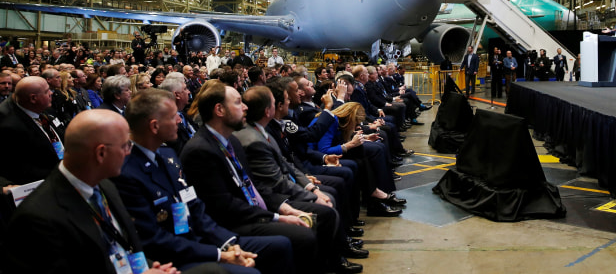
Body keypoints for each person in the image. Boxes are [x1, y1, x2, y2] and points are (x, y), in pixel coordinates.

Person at [180, 80, 363, 274]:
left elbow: (254, 185)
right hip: (235, 222)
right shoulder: (200, 150)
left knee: (316, 215)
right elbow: (224, 206)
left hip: (255, 207)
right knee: (303, 233)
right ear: (219, 110)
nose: (244, 107)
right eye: (237, 102)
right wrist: (277, 216)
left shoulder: (231, 139)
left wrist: (284, 209)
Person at [2, 109, 216, 274]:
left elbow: (123, 246)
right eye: (125, 146)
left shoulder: (105, 185)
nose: (129, 152)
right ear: (101, 153)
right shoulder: (38, 219)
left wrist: (148, 267)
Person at [113, 88, 293, 274]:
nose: (179, 120)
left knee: (280, 246)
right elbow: (154, 239)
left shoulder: (168, 155)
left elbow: (195, 208)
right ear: (154, 126)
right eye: (174, 116)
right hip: (172, 258)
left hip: (199, 239)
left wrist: (228, 244)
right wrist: (219, 254)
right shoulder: (128, 173)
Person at [0, 76, 65, 190]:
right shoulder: (11, 128)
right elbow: (22, 169)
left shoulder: (44, 110)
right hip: (45, 187)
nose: (51, 93)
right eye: (46, 91)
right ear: (33, 98)